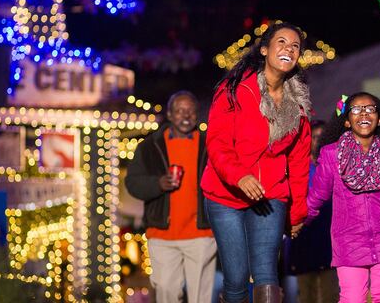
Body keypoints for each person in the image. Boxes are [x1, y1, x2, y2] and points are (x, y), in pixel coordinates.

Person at [201, 22, 312, 303]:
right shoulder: (234, 89)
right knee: (236, 276)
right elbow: (217, 141)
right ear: (264, 50)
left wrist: (297, 212)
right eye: (282, 42)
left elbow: (299, 163)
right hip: (225, 194)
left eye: (295, 46)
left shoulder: (298, 106)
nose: (289, 48)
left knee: (265, 274)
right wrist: (239, 176)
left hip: (271, 195)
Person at [307, 92, 380, 303]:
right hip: (348, 243)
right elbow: (317, 196)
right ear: (346, 121)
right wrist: (295, 221)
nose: (364, 113)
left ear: (379, 119)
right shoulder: (331, 155)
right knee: (352, 298)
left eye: (370, 109)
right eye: (356, 109)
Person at [125, 91, 216, 303]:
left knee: (200, 297)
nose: (185, 115)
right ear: (169, 114)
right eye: (179, 111)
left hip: (202, 232)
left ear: (197, 114)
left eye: (190, 111)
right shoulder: (149, 146)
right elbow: (132, 182)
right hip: (162, 233)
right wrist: (157, 184)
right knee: (166, 290)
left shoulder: (210, 145)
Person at [282, 120, 339, 303]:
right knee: (306, 296)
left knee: (331, 295)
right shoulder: (298, 168)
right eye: (315, 137)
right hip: (304, 239)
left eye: (323, 137)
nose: (319, 141)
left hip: (330, 241)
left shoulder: (336, 167)